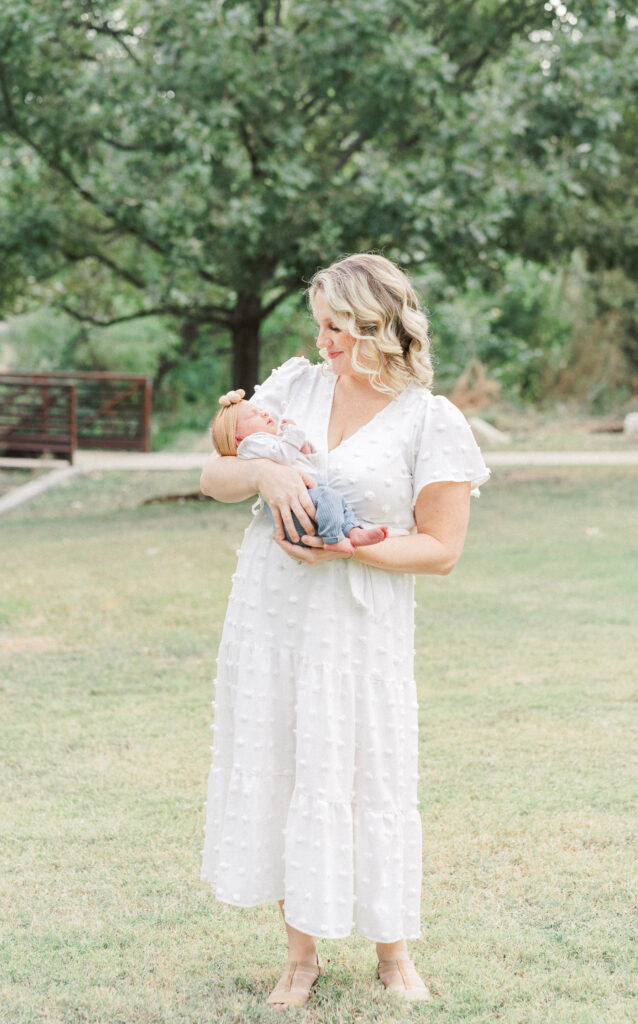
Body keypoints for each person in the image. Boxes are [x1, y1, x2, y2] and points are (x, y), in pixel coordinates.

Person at [199, 252, 491, 1008]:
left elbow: (441, 548)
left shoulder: (430, 419)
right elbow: (214, 475)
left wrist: (344, 546)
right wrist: (263, 475)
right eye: (318, 324)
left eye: (336, 326)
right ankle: (299, 958)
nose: (322, 339)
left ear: (376, 327)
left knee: (366, 774)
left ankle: (393, 956)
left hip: (358, 630)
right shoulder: (293, 385)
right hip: (271, 619)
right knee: (285, 767)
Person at [209, 389, 388, 554]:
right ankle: (333, 538)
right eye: (253, 415)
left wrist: (304, 447)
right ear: (238, 438)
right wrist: (293, 433)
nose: (263, 413)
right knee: (330, 497)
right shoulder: (253, 443)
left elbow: (307, 462)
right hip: (298, 506)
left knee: (338, 502)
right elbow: (284, 455)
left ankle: (353, 531)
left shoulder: (268, 443)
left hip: (308, 494)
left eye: (260, 409)